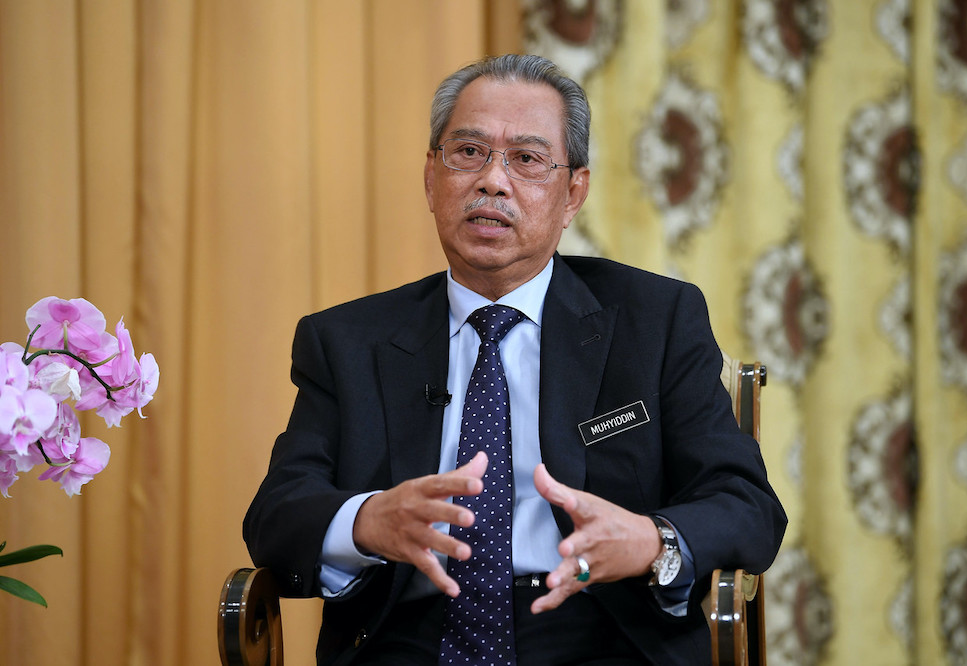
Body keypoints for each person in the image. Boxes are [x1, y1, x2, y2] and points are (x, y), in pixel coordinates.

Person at [244, 54, 785, 665]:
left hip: (605, 634)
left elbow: (747, 507)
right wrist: (369, 521)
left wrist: (649, 540)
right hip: (410, 639)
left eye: (526, 159)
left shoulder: (655, 320)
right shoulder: (346, 341)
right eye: (468, 152)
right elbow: (277, 515)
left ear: (573, 191)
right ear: (431, 176)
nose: (492, 181)